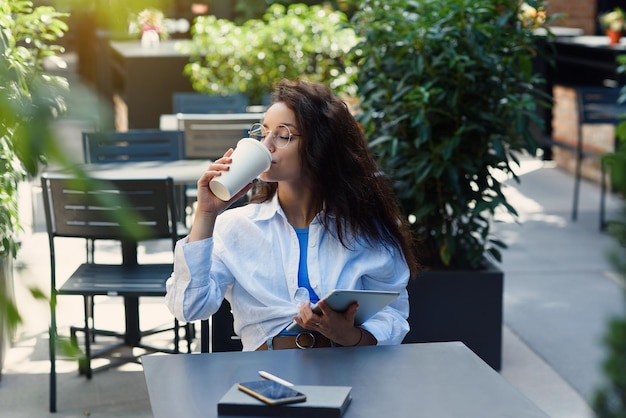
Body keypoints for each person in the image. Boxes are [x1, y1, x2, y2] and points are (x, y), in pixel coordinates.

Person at [165, 79, 420, 351]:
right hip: (265, 377)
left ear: (321, 145)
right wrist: (205, 214)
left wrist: (352, 336)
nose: (267, 145)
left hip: (349, 368)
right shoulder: (235, 227)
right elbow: (189, 309)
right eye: (263, 133)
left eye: (283, 135)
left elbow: (393, 315)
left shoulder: (367, 228)